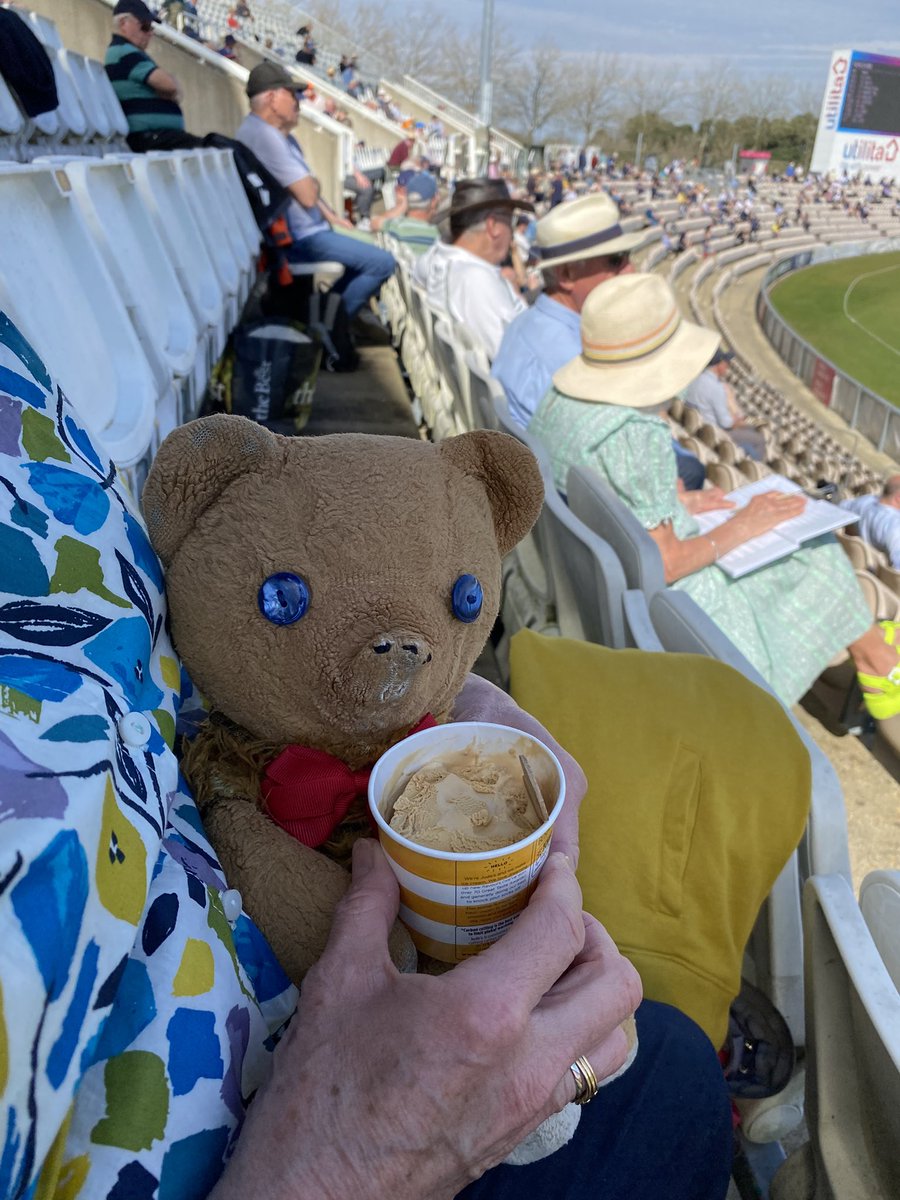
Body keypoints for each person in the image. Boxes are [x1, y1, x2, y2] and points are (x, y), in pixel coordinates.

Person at [2, 314, 733, 1200]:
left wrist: (450, 699)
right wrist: (347, 1161)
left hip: (337, 899)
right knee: (675, 1075)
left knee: (671, 1050)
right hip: (267, 1124)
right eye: (286, 598)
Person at [530, 274, 900, 717]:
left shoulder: (559, 400)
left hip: (602, 581)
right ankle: (878, 663)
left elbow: (609, 498)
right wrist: (745, 522)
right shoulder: (633, 431)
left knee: (788, 532)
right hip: (675, 602)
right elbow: (664, 563)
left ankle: (874, 647)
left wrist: (679, 505)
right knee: (816, 548)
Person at [492, 194, 706, 490]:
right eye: (616, 261)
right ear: (567, 274)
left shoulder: (526, 325)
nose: (629, 271)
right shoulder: (577, 361)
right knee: (692, 470)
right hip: (583, 500)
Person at [236, 61, 395, 321]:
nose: (298, 101)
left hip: (315, 229)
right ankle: (330, 321)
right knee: (383, 262)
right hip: (298, 240)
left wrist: (334, 218)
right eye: (292, 94)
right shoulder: (261, 136)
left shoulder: (282, 135)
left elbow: (311, 191)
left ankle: (326, 312)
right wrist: (313, 184)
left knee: (373, 246)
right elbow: (309, 195)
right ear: (272, 98)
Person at [414, 177, 533, 359]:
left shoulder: (433, 260)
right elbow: (514, 363)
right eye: (511, 222)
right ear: (492, 226)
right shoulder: (476, 280)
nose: (512, 234)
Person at [104, 0, 204, 151]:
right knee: (221, 148)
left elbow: (170, 86)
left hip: (156, 137)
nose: (150, 33)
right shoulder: (125, 53)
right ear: (124, 23)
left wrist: (169, 88)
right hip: (149, 138)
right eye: (145, 26)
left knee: (222, 148)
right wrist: (168, 89)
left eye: (151, 27)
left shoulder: (130, 53)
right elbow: (170, 85)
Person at [684, 348, 767, 462]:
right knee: (759, 438)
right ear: (719, 365)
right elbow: (726, 423)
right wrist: (740, 419)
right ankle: (756, 467)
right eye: (726, 363)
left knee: (752, 426)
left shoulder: (696, 378)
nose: (728, 367)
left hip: (699, 425)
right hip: (714, 432)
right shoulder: (717, 388)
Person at [371, 170, 441, 251]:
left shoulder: (393, 226)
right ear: (434, 201)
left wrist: (402, 205)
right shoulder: (435, 238)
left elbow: (374, 222)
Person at [841, 476, 900, 567]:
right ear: (898, 498)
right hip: (871, 576)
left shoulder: (864, 501)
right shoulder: (895, 526)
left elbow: (839, 508)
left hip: (848, 559)